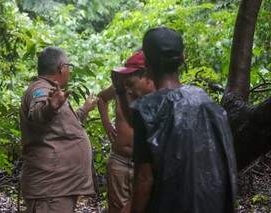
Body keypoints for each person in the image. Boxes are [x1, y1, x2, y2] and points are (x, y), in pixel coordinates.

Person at [129, 27, 238, 213]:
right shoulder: (206, 102)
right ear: (183, 58)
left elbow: (144, 180)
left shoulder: (145, 109)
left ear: (146, 62)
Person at [19, 46, 97, 213]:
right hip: (51, 187)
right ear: (62, 67)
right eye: (69, 66)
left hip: (58, 186)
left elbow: (63, 127)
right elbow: (37, 114)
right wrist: (50, 107)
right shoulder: (40, 89)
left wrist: (84, 109)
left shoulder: (52, 91)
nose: (69, 71)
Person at [98, 51, 154, 213]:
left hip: (144, 165)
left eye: (131, 77)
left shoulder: (158, 96)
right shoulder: (120, 89)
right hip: (120, 159)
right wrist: (107, 123)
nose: (127, 82)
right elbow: (101, 99)